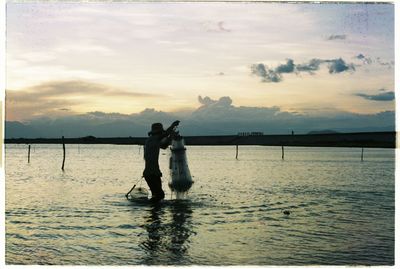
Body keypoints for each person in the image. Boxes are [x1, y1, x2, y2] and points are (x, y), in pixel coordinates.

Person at [143, 120, 180, 202]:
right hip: (151, 173)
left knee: (157, 195)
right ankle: (154, 212)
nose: (161, 134)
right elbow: (165, 134)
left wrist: (171, 137)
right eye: (160, 133)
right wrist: (172, 126)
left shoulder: (152, 140)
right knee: (159, 195)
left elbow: (163, 146)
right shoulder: (153, 139)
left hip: (153, 173)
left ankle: (154, 212)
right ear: (158, 133)